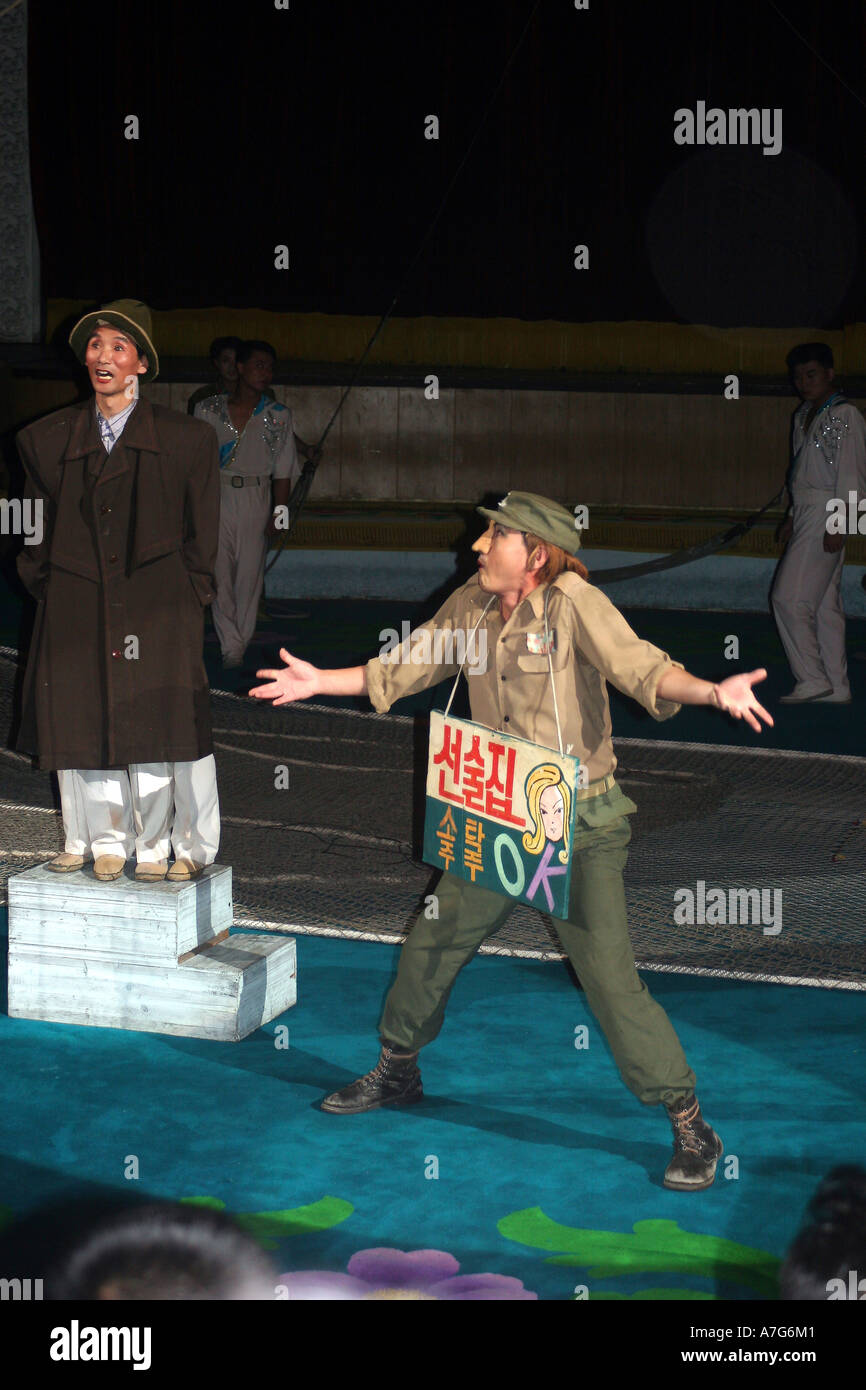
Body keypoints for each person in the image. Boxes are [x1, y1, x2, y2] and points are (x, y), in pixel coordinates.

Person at [251, 491, 774, 1192]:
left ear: (533, 553)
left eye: (492, 536)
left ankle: (688, 1120)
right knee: (431, 943)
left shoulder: (572, 604)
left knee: (611, 982)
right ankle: (398, 1070)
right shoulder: (470, 606)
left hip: (579, 821)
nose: (476, 547)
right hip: (496, 812)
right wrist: (321, 682)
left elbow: (644, 670)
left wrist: (714, 692)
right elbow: (399, 670)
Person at [16, 299, 221, 882]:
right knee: (81, 716)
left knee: (157, 721)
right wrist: (49, 582)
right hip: (76, 600)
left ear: (140, 365)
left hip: (159, 604)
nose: (103, 357)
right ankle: (105, 841)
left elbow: (202, 533)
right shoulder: (46, 439)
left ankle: (156, 847)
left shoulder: (187, 441)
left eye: (118, 347)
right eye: (96, 345)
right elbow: (33, 522)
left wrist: (191, 596)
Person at [195, 340, 301, 668]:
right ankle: (231, 648)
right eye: (258, 365)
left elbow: (284, 472)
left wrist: (278, 514)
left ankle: (240, 640)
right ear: (239, 368)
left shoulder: (278, 415)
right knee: (219, 574)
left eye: (269, 367)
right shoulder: (208, 410)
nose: (265, 373)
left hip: (257, 497)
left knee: (249, 577)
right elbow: (195, 464)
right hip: (219, 495)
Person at [772, 342, 866, 704]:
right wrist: (793, 515)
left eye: (810, 375)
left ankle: (811, 679)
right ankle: (837, 685)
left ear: (830, 374)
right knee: (825, 604)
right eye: (797, 377)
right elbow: (802, 473)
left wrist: (840, 523)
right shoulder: (804, 415)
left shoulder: (844, 416)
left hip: (830, 510)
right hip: (810, 510)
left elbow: (853, 475)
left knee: (788, 599)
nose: (803, 382)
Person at [186, 335, 246, 415]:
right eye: (226, 361)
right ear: (217, 363)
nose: (232, 366)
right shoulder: (202, 397)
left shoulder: (258, 395)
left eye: (236, 360)